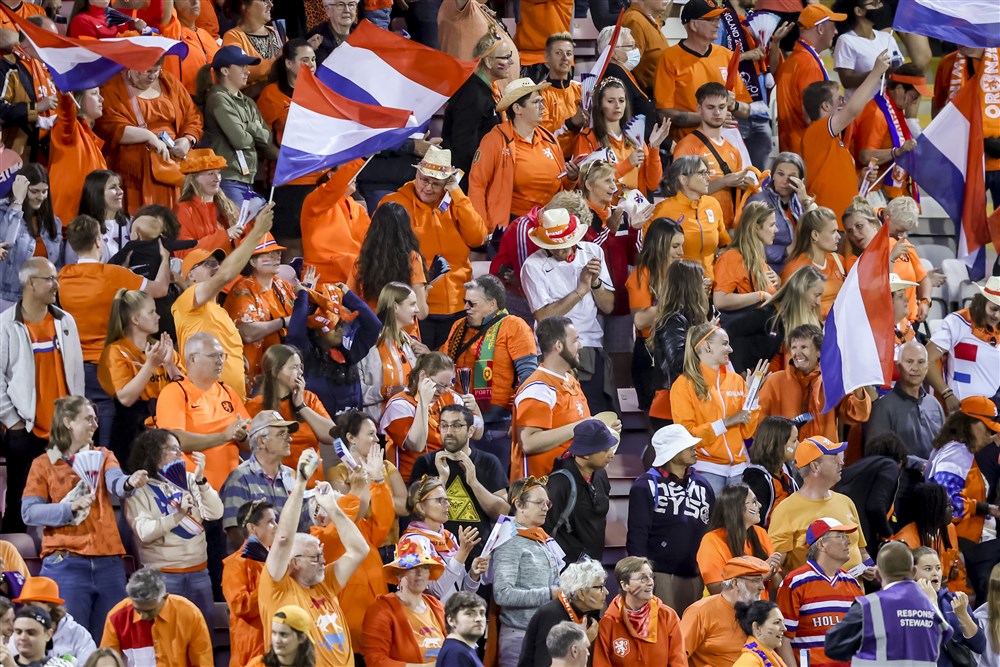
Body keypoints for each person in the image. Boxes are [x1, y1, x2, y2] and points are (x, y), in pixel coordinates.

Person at [22, 396, 148, 640]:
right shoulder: (43, 464)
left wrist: (129, 482)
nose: (95, 424)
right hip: (66, 564)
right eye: (88, 419)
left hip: (108, 564)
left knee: (110, 644)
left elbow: (116, 482)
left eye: (96, 419)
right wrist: (68, 508)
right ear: (68, 422)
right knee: (67, 643)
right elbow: (30, 512)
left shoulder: (103, 455)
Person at [58, 215, 170, 446]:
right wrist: (165, 258)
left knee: (81, 436)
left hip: (74, 370)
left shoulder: (63, 276)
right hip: (110, 367)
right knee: (109, 439)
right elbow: (159, 289)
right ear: (99, 241)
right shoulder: (113, 275)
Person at [259, 449, 369, 665]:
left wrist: (332, 507)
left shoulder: (325, 582)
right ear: (293, 562)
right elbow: (283, 538)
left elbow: (359, 550)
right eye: (314, 558)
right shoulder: (276, 588)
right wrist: (300, 484)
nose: (323, 562)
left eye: (321, 556)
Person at [0, 258, 83, 533]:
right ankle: (11, 567)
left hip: (63, 431)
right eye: (49, 279)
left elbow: (76, 373)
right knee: (19, 501)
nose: (56, 285)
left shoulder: (65, 320)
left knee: (68, 499)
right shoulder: (5, 325)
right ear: (31, 283)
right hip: (24, 429)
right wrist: (13, 421)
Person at [382, 146, 489, 348]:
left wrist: (457, 194)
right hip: (416, 308)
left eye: (436, 183)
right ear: (416, 174)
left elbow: (478, 238)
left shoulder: (456, 203)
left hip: (459, 303)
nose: (428, 188)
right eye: (424, 180)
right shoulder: (394, 205)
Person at [171, 202, 276, 399]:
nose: (216, 268)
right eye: (208, 264)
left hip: (234, 402)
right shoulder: (187, 300)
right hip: (206, 403)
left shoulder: (221, 311)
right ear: (190, 276)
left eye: (217, 263)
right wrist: (256, 233)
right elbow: (226, 275)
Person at [520, 209, 616, 414]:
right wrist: (581, 290)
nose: (559, 251)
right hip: (551, 349)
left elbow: (608, 306)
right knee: (561, 414)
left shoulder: (593, 252)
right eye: (552, 246)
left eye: (563, 246)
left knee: (598, 414)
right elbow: (543, 316)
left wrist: (596, 282)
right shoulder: (532, 265)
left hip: (589, 343)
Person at [124, 429, 222, 625]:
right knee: (166, 638)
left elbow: (215, 512)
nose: (180, 455)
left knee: (203, 637)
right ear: (153, 452)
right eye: (172, 449)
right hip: (163, 576)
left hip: (199, 572)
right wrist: (177, 516)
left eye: (180, 449)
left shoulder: (189, 479)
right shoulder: (139, 488)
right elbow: (144, 532)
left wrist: (201, 481)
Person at [441, 274, 538, 463]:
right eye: (465, 302)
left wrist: (521, 418)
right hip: (460, 422)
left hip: (498, 425)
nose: (466, 308)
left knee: (493, 484)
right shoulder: (458, 326)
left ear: (492, 304)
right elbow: (443, 365)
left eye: (472, 303)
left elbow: (529, 376)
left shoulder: (514, 326)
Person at [512, 316, 614, 482]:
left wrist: (600, 429)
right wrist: (581, 426)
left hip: (572, 484)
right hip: (544, 493)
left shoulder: (570, 380)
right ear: (558, 346)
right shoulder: (538, 388)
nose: (580, 346)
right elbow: (529, 442)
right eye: (575, 340)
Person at [95, 59, 203, 214]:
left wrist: (188, 140)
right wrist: (148, 136)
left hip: (172, 167)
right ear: (131, 66)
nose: (152, 76)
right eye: (147, 71)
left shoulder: (169, 81)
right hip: (135, 173)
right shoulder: (113, 86)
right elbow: (108, 125)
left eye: (156, 70)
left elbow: (192, 116)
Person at [626, 424, 714, 614]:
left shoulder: (703, 484)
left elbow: (712, 528)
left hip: (696, 574)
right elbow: (637, 534)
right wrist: (641, 575)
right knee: (664, 632)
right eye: (687, 446)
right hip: (660, 574)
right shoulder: (645, 485)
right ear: (672, 453)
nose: (694, 448)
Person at [670, 322, 765, 492]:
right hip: (706, 469)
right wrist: (726, 422)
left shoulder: (736, 380)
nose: (730, 349)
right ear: (707, 346)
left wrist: (753, 397)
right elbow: (687, 435)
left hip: (739, 470)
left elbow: (747, 432)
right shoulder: (683, 385)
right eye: (724, 343)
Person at [469, 78, 572, 235]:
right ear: (517, 108)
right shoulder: (495, 140)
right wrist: (481, 229)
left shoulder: (550, 140)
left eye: (542, 101)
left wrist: (572, 178)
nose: (543, 106)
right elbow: (477, 184)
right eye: (536, 102)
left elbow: (563, 186)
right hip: (512, 226)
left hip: (550, 224)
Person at [800, 51, 891, 223]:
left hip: (841, 223)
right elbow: (852, 111)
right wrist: (875, 73)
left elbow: (832, 181)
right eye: (839, 99)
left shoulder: (833, 140)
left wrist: (859, 178)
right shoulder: (817, 130)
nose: (843, 103)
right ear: (826, 106)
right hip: (827, 223)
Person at [825, 541, 953, 664]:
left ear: (878, 574)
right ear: (913, 572)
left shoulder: (868, 606)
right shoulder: (930, 606)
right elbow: (945, 635)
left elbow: (833, 647)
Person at [410, 404, 510, 561]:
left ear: (470, 431)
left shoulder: (488, 462)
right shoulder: (426, 462)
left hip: (477, 559)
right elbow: (414, 509)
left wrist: (474, 483)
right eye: (444, 425)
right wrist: (441, 480)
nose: (449, 432)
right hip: (434, 554)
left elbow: (504, 513)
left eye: (456, 425)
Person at [925, 397, 1000, 603]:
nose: (990, 436)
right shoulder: (957, 451)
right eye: (986, 428)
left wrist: (986, 508)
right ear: (968, 423)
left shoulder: (955, 450)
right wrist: (982, 507)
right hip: (961, 543)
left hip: (963, 543)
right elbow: (948, 503)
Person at [156, 332, 251, 493]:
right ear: (192, 359)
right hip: (193, 494)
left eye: (222, 355)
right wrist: (223, 436)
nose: (220, 361)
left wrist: (242, 437)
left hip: (232, 494)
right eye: (213, 356)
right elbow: (175, 441)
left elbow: (251, 443)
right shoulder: (175, 392)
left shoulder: (228, 392)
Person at [767, 436, 875, 576]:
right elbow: (775, 566)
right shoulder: (785, 510)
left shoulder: (846, 502)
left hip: (854, 595)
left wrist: (871, 568)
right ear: (815, 466)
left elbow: (861, 551)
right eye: (833, 458)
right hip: (814, 596)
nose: (841, 462)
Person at [99, 289, 184, 461]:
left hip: (166, 425)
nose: (158, 316)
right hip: (131, 432)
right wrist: (150, 365)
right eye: (152, 311)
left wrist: (169, 365)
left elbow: (186, 390)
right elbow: (125, 398)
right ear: (135, 319)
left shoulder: (163, 349)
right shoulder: (115, 351)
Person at [653, 0, 751, 143]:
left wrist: (734, 105)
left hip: (726, 145)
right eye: (711, 20)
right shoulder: (669, 58)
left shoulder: (726, 55)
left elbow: (746, 110)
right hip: (689, 148)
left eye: (718, 19)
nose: (717, 25)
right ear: (693, 24)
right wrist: (711, 118)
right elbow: (664, 113)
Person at [256, 39, 318, 259]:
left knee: (315, 243)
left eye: (313, 59)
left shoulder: (321, 91)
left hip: (320, 179)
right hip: (289, 179)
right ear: (289, 64)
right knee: (291, 244)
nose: (311, 65)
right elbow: (261, 138)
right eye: (304, 60)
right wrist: (281, 158)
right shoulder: (272, 95)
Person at [757, 324, 873, 441]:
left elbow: (858, 414)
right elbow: (758, 424)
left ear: (819, 352)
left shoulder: (831, 381)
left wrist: (858, 386)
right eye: (794, 347)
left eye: (803, 347)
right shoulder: (775, 381)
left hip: (824, 456)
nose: (797, 353)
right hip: (786, 456)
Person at [381, 352, 484, 482]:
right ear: (423, 376)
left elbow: (477, 433)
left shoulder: (450, 397)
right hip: (411, 479)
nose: (442, 391)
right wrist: (423, 403)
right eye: (440, 384)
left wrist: (475, 408)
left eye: (447, 385)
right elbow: (417, 444)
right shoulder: (399, 405)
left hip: (448, 475)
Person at [493, 477, 563, 667]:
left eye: (547, 503)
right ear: (519, 504)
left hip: (546, 633)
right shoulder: (509, 541)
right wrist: (550, 594)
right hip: (519, 637)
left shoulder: (542, 538)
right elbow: (502, 594)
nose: (546, 508)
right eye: (539, 503)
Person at [776, 517, 863, 667]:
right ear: (822, 544)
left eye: (846, 537)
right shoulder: (795, 582)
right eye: (840, 536)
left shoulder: (852, 582)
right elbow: (782, 639)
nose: (848, 541)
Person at [246, 344, 334, 487]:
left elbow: (332, 435)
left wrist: (301, 406)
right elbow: (250, 447)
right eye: (293, 367)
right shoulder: (255, 406)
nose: (299, 372)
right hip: (275, 487)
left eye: (300, 367)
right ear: (275, 372)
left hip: (312, 486)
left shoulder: (309, 399)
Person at [220, 410, 309, 550]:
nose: (290, 439)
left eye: (288, 433)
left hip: (288, 561)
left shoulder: (292, 475)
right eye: (281, 434)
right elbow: (236, 533)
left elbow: (304, 522)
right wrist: (267, 560)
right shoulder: (240, 478)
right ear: (261, 441)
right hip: (253, 566)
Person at [223, 233, 296, 394]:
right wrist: (283, 322)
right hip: (254, 378)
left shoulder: (283, 286)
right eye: (269, 254)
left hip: (284, 373)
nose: (277, 257)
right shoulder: (243, 288)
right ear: (253, 261)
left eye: (277, 253)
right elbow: (247, 333)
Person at [627, 217, 685, 413]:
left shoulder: (680, 273)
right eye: (675, 246)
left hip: (680, 350)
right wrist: (676, 298)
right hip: (650, 353)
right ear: (660, 246)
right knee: (656, 424)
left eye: (681, 246)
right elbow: (640, 319)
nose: (681, 253)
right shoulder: (641, 274)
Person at [400, 475, 488, 601]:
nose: (447, 505)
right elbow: (435, 592)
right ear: (420, 507)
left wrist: (473, 576)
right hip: (431, 618)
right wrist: (462, 553)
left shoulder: (449, 537)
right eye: (440, 500)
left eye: (447, 500)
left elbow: (462, 593)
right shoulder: (412, 541)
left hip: (453, 617)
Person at [571, 78, 667, 195]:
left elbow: (653, 184)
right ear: (600, 104)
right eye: (611, 101)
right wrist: (628, 163)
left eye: (621, 100)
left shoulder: (636, 138)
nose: (617, 106)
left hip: (636, 209)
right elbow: (586, 181)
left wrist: (654, 149)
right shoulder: (587, 138)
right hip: (604, 209)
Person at [362, 538, 448, 667]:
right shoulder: (380, 610)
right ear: (398, 573)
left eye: (424, 567)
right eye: (412, 566)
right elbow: (375, 661)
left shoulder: (437, 606)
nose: (420, 573)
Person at [205, 46, 274, 205]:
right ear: (225, 71)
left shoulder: (248, 102)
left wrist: (247, 126)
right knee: (239, 228)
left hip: (247, 180)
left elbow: (267, 139)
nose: (247, 71)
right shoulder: (218, 98)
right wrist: (255, 128)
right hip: (228, 179)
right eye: (242, 66)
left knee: (258, 226)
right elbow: (240, 140)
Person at [100, 567, 213, 665]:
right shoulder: (117, 617)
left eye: (149, 611)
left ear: (164, 598)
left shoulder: (189, 614)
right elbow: (106, 662)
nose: (143, 617)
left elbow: (202, 663)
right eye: (138, 610)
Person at [726, 265, 825, 375]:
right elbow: (729, 332)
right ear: (801, 291)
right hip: (766, 385)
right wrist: (742, 373)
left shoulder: (814, 325)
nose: (818, 302)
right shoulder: (768, 316)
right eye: (816, 295)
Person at [673, 82, 748, 227]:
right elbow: (680, 191)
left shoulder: (733, 149)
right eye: (711, 107)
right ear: (699, 109)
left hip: (729, 227)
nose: (717, 113)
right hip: (698, 226)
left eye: (722, 107)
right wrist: (723, 182)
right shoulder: (687, 146)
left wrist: (746, 185)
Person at [590, 556, 685, 667]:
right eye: (643, 578)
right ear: (625, 585)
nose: (650, 583)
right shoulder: (608, 624)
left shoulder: (668, 616)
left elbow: (678, 662)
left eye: (651, 577)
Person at [774, 4, 844, 153]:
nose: (836, 32)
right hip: (807, 150)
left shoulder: (795, 59)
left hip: (794, 147)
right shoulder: (808, 64)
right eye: (833, 26)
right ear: (820, 28)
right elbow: (812, 115)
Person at [544, 419, 615, 563]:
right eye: (605, 449)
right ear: (586, 454)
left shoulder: (600, 474)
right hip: (566, 571)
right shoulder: (559, 483)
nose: (611, 454)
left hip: (592, 566)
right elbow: (545, 529)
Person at [648, 259, 710, 425]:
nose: (706, 286)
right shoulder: (673, 320)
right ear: (691, 286)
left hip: (688, 402)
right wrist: (706, 342)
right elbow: (677, 360)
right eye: (701, 280)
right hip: (669, 407)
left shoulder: (692, 317)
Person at [854, 64, 927, 202]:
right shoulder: (877, 114)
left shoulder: (895, 112)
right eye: (913, 96)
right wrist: (897, 152)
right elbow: (865, 156)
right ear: (899, 89)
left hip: (889, 192)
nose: (914, 102)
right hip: (874, 192)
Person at [650, 156, 730, 282]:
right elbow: (649, 249)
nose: (708, 178)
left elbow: (724, 240)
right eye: (702, 173)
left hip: (711, 285)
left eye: (707, 173)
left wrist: (724, 252)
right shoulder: (663, 210)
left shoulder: (713, 204)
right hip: (678, 285)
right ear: (684, 179)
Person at [680, 556, 770, 667]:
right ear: (735, 583)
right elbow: (678, 655)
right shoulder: (700, 611)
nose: (762, 587)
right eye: (756, 581)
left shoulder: (759, 612)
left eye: (761, 580)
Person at [442, 31, 508, 182]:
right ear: (489, 62)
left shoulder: (488, 90)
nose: (510, 62)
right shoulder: (472, 94)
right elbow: (463, 145)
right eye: (504, 58)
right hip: (468, 179)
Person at [926, 277, 1000, 412]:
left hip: (994, 411)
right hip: (961, 412)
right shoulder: (958, 323)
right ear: (983, 301)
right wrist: (947, 394)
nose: (997, 315)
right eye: (993, 308)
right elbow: (927, 360)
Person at [517, 559, 605, 667]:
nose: (606, 592)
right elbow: (546, 664)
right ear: (581, 593)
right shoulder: (551, 615)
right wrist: (582, 641)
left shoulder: (582, 613)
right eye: (599, 587)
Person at [222, 499, 278, 667]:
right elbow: (241, 607)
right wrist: (271, 581)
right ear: (252, 528)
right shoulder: (236, 564)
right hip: (252, 651)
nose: (276, 526)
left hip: (277, 645)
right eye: (270, 522)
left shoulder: (278, 560)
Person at [698, 485, 782, 596]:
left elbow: (777, 584)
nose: (760, 505)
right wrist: (759, 576)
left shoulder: (760, 533)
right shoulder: (711, 540)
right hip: (727, 610)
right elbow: (716, 589)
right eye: (754, 502)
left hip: (759, 610)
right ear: (737, 508)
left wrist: (773, 570)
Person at [866, 340, 944, 459]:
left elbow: (945, 446)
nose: (915, 368)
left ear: (927, 367)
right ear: (898, 366)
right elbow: (876, 453)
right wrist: (917, 464)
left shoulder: (934, 404)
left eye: (921, 362)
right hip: (901, 476)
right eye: (909, 362)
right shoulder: (884, 406)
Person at [0, 168, 65, 311]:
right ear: (22, 189)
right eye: (34, 191)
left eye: (44, 191)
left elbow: (58, 265)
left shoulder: (54, 223)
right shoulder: (4, 213)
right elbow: (6, 244)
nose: (40, 197)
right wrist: (17, 202)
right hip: (8, 300)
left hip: (44, 302)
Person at [351, 202, 429, 321]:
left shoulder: (363, 260)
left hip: (371, 331)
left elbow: (348, 303)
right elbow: (421, 313)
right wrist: (425, 292)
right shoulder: (412, 259)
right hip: (403, 333)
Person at [912, 546, 987, 666]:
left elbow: (980, 646)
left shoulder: (953, 600)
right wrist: (931, 603)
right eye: (928, 569)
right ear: (913, 573)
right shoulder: (905, 604)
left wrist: (963, 615)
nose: (935, 573)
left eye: (937, 568)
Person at [359, 283, 424, 422]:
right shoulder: (368, 343)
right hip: (376, 428)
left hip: (409, 422)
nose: (417, 310)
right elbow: (356, 391)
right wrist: (386, 391)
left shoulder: (410, 343)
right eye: (412, 304)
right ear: (395, 307)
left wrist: (427, 357)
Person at [746, 153, 815, 274]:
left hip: (800, 269)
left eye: (792, 176)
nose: (784, 181)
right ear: (773, 175)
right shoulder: (758, 201)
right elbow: (750, 245)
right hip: (769, 271)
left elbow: (822, 227)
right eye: (780, 174)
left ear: (801, 181)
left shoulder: (800, 202)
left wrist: (806, 201)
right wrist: (787, 251)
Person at [893, 483, 967, 595]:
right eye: (947, 505)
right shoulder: (905, 541)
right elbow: (900, 583)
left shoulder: (949, 529)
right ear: (933, 509)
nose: (952, 508)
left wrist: (953, 571)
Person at [836, 433, 907, 550]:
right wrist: (888, 535)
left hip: (842, 530)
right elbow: (875, 506)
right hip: (863, 537)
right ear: (900, 460)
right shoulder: (890, 466)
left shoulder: (858, 466)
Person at [49, 88, 107, 227]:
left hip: (88, 225)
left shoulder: (92, 140)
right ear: (78, 100)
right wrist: (64, 92)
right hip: (66, 226)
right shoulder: (69, 131)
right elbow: (66, 113)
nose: (101, 99)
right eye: (94, 94)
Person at [713, 201, 780, 316]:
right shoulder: (731, 258)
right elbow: (720, 300)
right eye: (771, 225)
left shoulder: (758, 258)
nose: (776, 230)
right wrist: (760, 296)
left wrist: (778, 281)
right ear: (755, 228)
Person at [173, 148, 241, 259]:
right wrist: (225, 236)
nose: (217, 179)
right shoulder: (182, 210)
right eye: (210, 173)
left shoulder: (230, 208)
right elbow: (183, 254)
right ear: (193, 179)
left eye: (218, 173)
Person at [9, 577, 96, 663]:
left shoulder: (78, 635)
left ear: (50, 605)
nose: (26, 610)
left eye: (30, 605)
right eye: (23, 605)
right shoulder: (19, 634)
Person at [780, 207, 844, 318]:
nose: (838, 236)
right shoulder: (795, 269)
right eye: (833, 232)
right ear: (815, 235)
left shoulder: (839, 260)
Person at [832, 0, 905, 96]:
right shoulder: (846, 40)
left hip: (886, 107)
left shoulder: (887, 38)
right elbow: (846, 81)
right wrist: (878, 72)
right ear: (859, 11)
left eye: (880, 3)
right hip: (863, 108)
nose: (880, 7)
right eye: (874, 4)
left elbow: (899, 70)